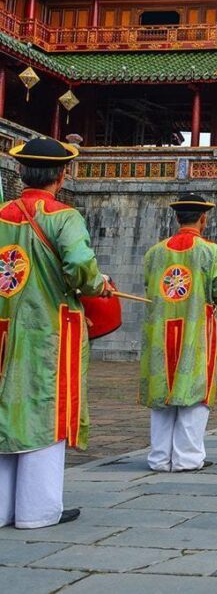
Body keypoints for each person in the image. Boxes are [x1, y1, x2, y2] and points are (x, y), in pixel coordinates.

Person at [0, 137, 111, 529]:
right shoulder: (63, 216)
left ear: (20, 171)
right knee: (46, 409)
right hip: (47, 329)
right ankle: (37, 510)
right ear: (62, 176)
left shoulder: (1, 214)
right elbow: (81, 267)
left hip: (4, 328)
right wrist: (99, 285)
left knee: (5, 410)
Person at [140, 194, 217, 473]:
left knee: (162, 394)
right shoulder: (209, 251)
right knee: (194, 392)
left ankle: (159, 457)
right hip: (195, 331)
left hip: (159, 330)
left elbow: (150, 285)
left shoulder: (155, 252)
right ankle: (188, 458)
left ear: (177, 217)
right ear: (203, 219)